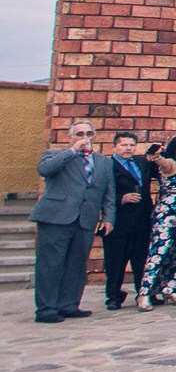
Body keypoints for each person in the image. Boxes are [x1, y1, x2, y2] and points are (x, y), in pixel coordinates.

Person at [30, 120, 118, 324]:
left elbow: (109, 192)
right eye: (79, 134)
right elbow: (44, 170)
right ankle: (47, 308)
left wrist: (108, 217)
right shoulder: (56, 155)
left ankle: (69, 304)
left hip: (85, 218)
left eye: (88, 133)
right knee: (51, 264)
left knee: (77, 264)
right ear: (71, 137)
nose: (84, 137)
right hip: (56, 217)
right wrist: (72, 151)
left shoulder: (103, 161)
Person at [137, 134, 176, 309]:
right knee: (159, 251)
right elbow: (163, 163)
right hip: (167, 212)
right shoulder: (172, 164)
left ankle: (170, 288)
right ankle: (144, 292)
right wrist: (157, 156)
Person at [102, 130, 153, 310]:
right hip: (119, 222)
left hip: (141, 220)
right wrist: (121, 198)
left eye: (131, 145)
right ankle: (113, 296)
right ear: (115, 147)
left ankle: (143, 294)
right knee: (115, 262)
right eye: (124, 145)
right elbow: (100, 193)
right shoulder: (108, 166)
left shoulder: (141, 162)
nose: (128, 148)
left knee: (141, 260)